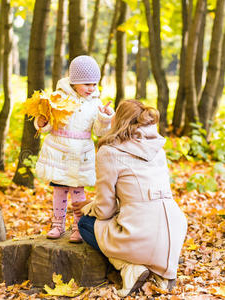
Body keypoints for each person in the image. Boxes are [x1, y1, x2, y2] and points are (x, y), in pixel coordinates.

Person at [76, 99, 187, 297]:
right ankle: (162, 271)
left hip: (142, 232)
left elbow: (105, 210)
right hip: (175, 230)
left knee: (85, 224)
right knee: (137, 221)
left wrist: (88, 207)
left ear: (118, 121)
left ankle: (130, 268)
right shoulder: (158, 148)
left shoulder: (109, 152)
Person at [35, 55, 114, 243]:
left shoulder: (96, 103)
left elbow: (99, 131)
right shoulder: (59, 99)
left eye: (94, 84)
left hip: (81, 154)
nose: (91, 88)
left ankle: (78, 227)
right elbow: (49, 123)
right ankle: (57, 224)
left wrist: (104, 118)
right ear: (74, 81)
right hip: (60, 151)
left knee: (78, 191)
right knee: (59, 190)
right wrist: (42, 123)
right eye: (87, 84)